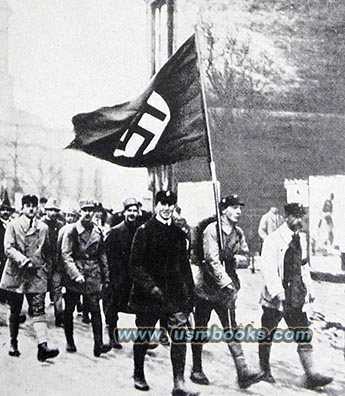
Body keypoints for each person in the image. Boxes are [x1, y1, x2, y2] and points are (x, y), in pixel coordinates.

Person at [190, 194, 264, 389]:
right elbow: (211, 261)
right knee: (200, 328)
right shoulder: (211, 231)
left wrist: (232, 260)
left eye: (239, 207)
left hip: (226, 292)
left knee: (231, 329)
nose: (238, 211)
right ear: (223, 210)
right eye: (234, 207)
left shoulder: (238, 233)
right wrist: (226, 281)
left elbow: (245, 257)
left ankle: (243, 371)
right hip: (207, 288)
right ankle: (196, 368)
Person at [129, 190, 197, 396]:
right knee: (144, 334)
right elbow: (135, 266)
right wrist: (151, 287)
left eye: (170, 204)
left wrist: (190, 294)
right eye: (163, 204)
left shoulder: (178, 234)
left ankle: (179, 382)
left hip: (174, 295)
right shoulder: (144, 231)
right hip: (149, 296)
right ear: (156, 206)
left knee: (179, 337)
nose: (167, 208)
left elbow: (184, 266)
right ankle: (138, 373)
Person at [258, 203, 333, 389]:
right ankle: (264, 370)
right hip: (275, 298)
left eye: (301, 217)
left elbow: (303, 266)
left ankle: (311, 373)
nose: (299, 221)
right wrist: (279, 293)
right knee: (268, 332)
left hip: (296, 295)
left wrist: (310, 290)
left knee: (303, 333)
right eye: (295, 217)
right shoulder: (274, 240)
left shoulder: (301, 239)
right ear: (286, 217)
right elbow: (268, 269)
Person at [0, 194, 59, 361]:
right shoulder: (13, 225)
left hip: (36, 275)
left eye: (33, 205)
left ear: (37, 207)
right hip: (16, 274)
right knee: (15, 310)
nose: (31, 209)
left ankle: (43, 346)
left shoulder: (43, 228)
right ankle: (13, 343)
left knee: (39, 310)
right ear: (22, 208)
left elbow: (47, 251)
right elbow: (8, 248)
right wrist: (23, 260)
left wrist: (46, 268)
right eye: (27, 205)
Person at [61, 198, 111, 357]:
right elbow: (66, 255)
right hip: (75, 276)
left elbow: (102, 255)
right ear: (80, 212)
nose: (88, 213)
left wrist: (106, 277)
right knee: (69, 309)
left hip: (93, 275)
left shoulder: (98, 231)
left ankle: (98, 344)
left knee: (96, 310)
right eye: (85, 210)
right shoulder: (72, 231)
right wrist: (75, 274)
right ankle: (69, 341)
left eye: (91, 210)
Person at [104, 197, 140, 349]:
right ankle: (113, 337)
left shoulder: (141, 230)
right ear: (124, 212)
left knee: (141, 308)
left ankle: (143, 339)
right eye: (129, 211)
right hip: (118, 276)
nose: (132, 214)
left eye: (134, 211)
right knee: (113, 307)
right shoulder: (115, 231)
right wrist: (110, 276)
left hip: (134, 277)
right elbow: (106, 255)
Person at [42, 197, 64, 327]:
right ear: (46, 211)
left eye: (56, 210)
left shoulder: (61, 226)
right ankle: (37, 313)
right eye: (51, 210)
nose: (53, 213)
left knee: (57, 290)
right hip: (44, 263)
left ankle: (59, 317)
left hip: (57, 264)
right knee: (40, 290)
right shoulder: (41, 224)